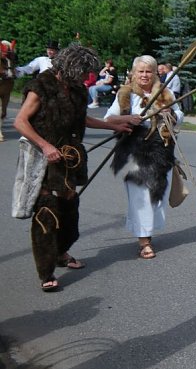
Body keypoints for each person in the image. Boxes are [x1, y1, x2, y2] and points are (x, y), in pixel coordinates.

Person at [13, 44, 136, 292]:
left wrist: (114, 127)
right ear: (69, 68)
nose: (85, 78)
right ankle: (46, 271)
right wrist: (45, 146)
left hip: (70, 156)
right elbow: (20, 121)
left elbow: (82, 119)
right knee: (46, 209)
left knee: (69, 203)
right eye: (82, 73)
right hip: (42, 157)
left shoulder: (78, 90)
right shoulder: (41, 86)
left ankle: (61, 252)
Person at [105, 55, 184, 260]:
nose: (144, 75)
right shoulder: (125, 94)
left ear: (155, 73)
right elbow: (109, 119)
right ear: (133, 73)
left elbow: (180, 115)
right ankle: (144, 241)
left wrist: (171, 114)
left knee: (157, 196)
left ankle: (146, 232)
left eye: (148, 71)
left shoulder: (164, 93)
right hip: (135, 151)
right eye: (140, 71)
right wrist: (127, 119)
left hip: (162, 151)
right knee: (141, 197)